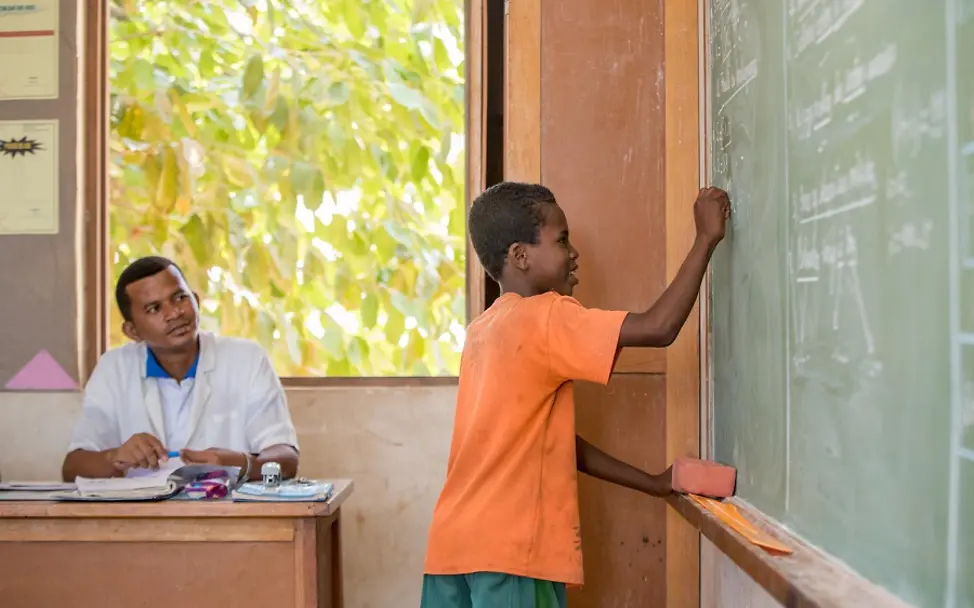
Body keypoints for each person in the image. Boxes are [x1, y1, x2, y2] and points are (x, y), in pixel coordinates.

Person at [420, 182, 731, 607]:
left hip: (451, 548)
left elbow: (555, 444)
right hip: (513, 553)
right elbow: (659, 327)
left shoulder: (483, 330)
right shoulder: (546, 316)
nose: (573, 252)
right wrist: (705, 239)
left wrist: (653, 484)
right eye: (561, 239)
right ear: (520, 256)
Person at [61, 256, 299, 482]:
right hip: (139, 520)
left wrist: (239, 464)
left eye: (179, 298)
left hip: (228, 515)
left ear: (196, 300)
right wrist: (114, 457)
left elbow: (287, 461)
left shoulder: (247, 359)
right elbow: (73, 468)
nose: (174, 313)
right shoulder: (114, 368)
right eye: (154, 308)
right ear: (132, 331)